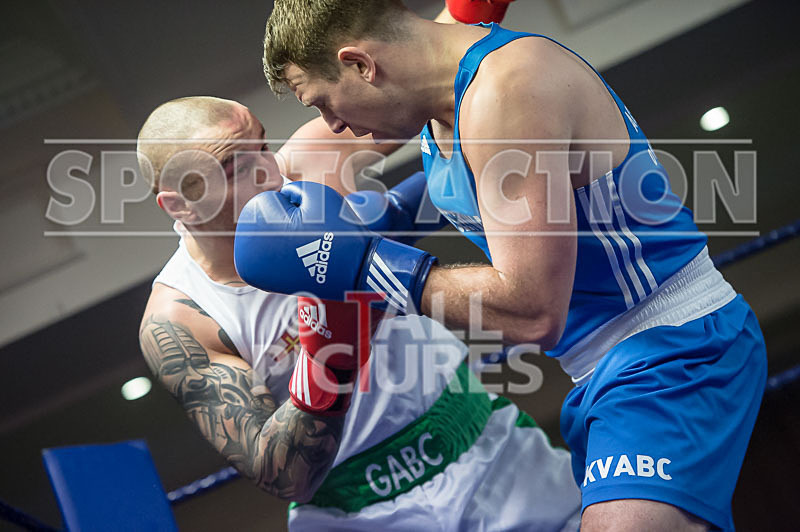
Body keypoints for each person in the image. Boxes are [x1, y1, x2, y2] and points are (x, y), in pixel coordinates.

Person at [252, 1, 768, 530]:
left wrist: (368, 266)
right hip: (599, 369)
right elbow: (302, 155)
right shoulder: (435, 97)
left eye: (323, 103)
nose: (333, 124)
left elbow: (533, 310)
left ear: (361, 64)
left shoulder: (505, 89)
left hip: (674, 345)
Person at [137, 95, 581, 531]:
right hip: (356, 514)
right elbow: (281, 475)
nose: (270, 174)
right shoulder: (181, 319)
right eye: (233, 168)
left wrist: (416, 203)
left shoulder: (310, 164)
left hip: (488, 449)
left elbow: (431, 89)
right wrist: (329, 353)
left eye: (262, 145)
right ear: (178, 205)